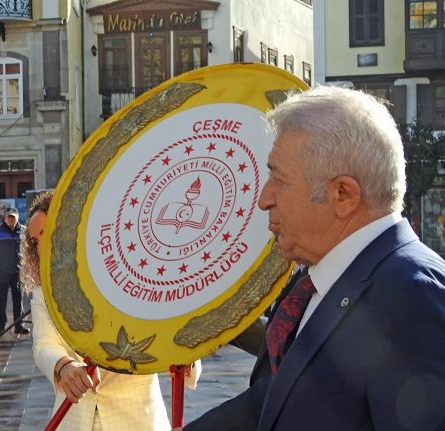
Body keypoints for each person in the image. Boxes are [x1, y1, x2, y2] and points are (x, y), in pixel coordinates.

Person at [184, 87, 445, 430]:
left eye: (279, 179)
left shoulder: (413, 295)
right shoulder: (315, 283)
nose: (264, 199)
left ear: (343, 194)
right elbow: (273, 400)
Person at [21, 191, 201, 430]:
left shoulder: (133, 278)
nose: (41, 246)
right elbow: (44, 344)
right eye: (35, 241)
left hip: (137, 417)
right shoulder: (44, 294)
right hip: (73, 419)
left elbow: (172, 329)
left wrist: (186, 360)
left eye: (46, 232)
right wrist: (64, 366)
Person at [0, 207, 27, 336]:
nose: (11, 219)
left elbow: (27, 248)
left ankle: (18, 325)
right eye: (9, 217)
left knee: (18, 298)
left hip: (17, 271)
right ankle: (1, 327)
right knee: (1, 300)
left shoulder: (23, 230)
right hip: (2, 271)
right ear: (5, 218)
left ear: (17, 218)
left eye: (13, 217)